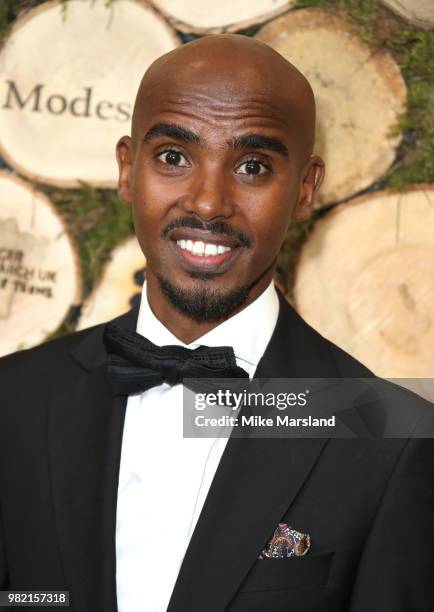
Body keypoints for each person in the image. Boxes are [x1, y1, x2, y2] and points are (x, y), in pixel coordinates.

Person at [0, 34, 433, 612]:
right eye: (174, 157)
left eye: (252, 165)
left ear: (304, 188)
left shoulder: (392, 439)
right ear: (127, 169)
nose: (207, 203)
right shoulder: (14, 399)